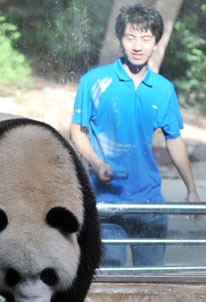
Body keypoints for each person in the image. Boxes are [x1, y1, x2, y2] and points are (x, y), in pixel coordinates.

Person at [70, 2, 201, 267]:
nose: (137, 46)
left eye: (145, 38)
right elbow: (77, 130)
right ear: (121, 39)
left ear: (155, 43)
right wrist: (97, 164)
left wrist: (192, 190)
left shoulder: (163, 89)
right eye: (130, 37)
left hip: (150, 204)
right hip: (105, 204)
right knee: (109, 281)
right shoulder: (95, 81)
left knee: (151, 280)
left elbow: (174, 140)